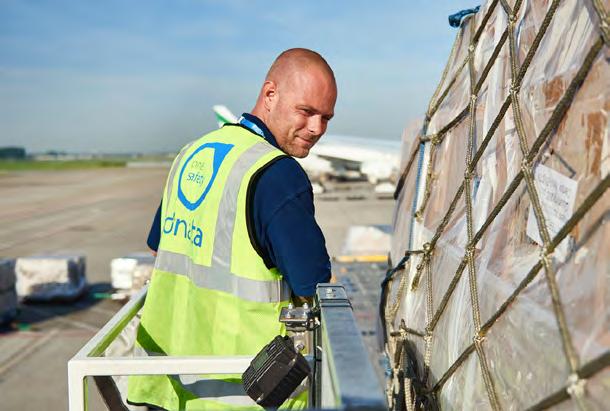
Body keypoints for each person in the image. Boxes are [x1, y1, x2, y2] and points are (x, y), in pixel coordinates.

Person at [128, 48, 337, 410]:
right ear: (270, 94)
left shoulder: (193, 152)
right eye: (306, 111)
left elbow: (158, 247)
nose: (317, 128)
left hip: (164, 386)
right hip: (236, 395)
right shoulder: (277, 174)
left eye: (326, 117)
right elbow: (312, 283)